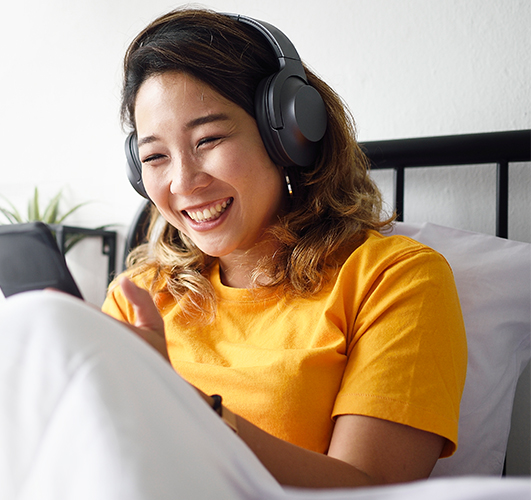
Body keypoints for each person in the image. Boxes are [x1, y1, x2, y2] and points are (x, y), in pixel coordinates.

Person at [102, 8, 468, 488]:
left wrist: (188, 406)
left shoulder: (394, 279)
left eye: (208, 138)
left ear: (290, 133)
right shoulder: (140, 295)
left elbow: (370, 489)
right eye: (154, 157)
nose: (183, 182)